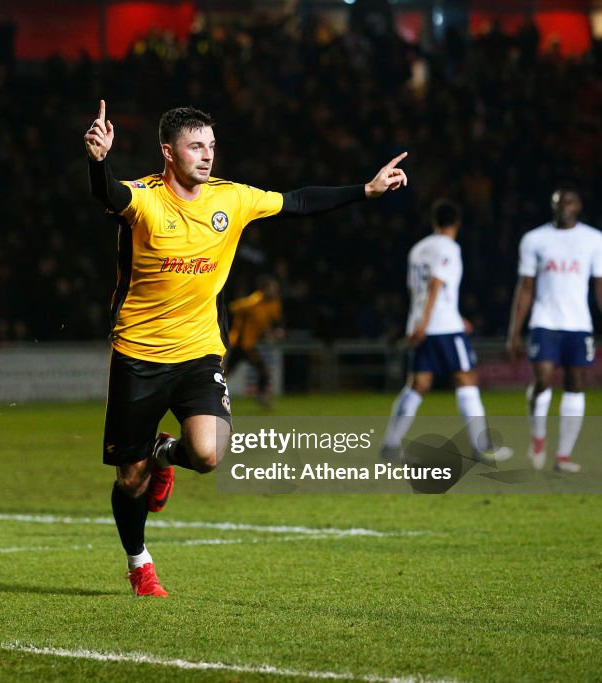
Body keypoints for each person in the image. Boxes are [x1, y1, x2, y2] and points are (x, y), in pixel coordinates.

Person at [84, 101, 408, 597]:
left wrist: (365, 190)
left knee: (208, 454)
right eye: (196, 146)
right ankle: (139, 563)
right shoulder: (144, 200)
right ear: (168, 153)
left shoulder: (231, 199)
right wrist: (98, 161)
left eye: (212, 146)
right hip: (139, 353)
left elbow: (297, 201)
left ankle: (163, 456)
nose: (208, 155)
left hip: (199, 351)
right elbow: (108, 196)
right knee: (130, 480)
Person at [381, 199, 513, 463]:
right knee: (466, 379)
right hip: (440, 326)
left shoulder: (417, 249)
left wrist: (423, 320)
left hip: (424, 322)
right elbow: (436, 284)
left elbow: (415, 291)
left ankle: (390, 446)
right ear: (457, 223)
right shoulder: (449, 248)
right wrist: (430, 320)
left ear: (433, 222)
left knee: (418, 384)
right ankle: (481, 446)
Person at [506, 187, 602, 473]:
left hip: (578, 324)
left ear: (578, 206)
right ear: (552, 206)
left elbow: (601, 283)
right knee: (542, 377)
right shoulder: (535, 239)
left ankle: (563, 455)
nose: (563, 207)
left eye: (568, 202)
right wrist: (514, 331)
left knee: (575, 384)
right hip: (545, 321)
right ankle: (539, 438)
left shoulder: (593, 239)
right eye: (558, 202)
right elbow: (526, 287)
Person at [224, 276, 284, 408]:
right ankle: (261, 396)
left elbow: (273, 321)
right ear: (263, 290)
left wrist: (275, 331)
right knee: (262, 369)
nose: (274, 291)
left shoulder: (273, 304)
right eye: (271, 289)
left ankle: (214, 395)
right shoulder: (253, 302)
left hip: (249, 344)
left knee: (227, 372)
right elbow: (233, 307)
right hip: (242, 343)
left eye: (275, 289)